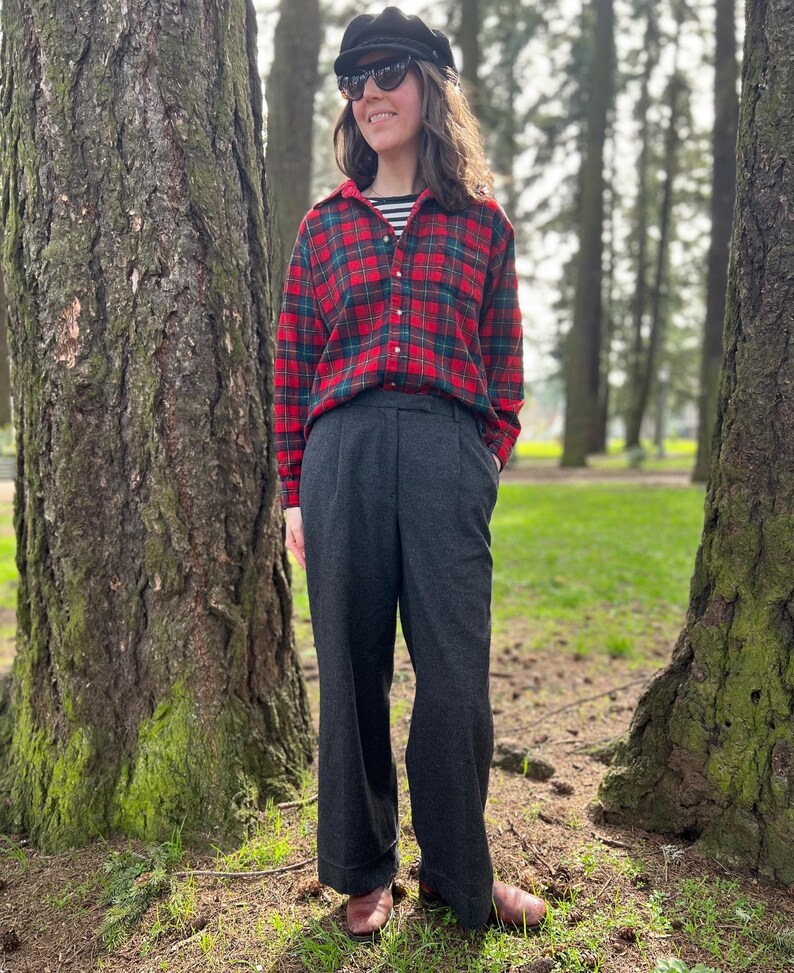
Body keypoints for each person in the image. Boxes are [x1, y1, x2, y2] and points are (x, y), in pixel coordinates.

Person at [275, 5, 547, 942]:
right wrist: (296, 493)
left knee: (455, 677)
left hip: (444, 454)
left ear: (431, 85)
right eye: (354, 82)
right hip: (343, 454)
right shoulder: (322, 227)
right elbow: (292, 365)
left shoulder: (481, 226)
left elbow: (505, 366)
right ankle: (361, 868)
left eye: (387, 72)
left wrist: (479, 462)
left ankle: (457, 870)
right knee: (351, 669)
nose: (370, 93)